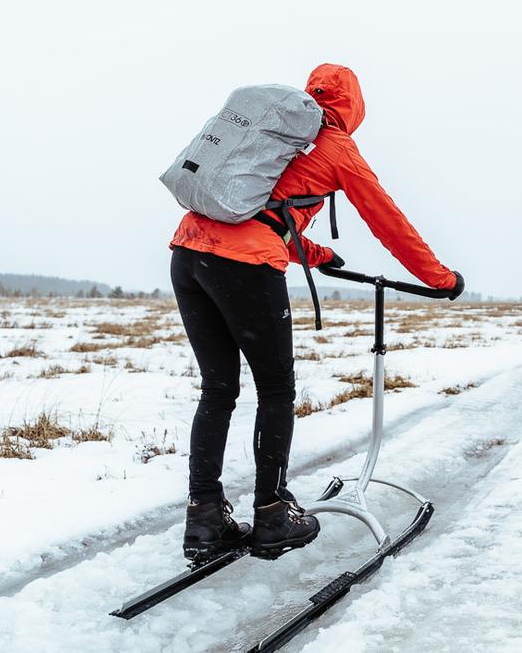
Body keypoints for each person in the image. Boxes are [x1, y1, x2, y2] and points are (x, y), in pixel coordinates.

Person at [169, 64, 463, 561]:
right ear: (354, 105)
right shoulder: (335, 146)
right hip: (244, 265)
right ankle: (272, 513)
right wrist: (440, 278)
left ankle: (204, 517)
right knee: (276, 388)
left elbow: (264, 211)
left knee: (218, 388)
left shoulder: (279, 131)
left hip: (188, 252)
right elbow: (389, 222)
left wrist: (320, 255)